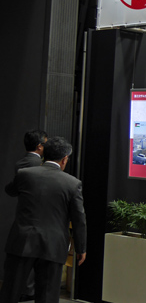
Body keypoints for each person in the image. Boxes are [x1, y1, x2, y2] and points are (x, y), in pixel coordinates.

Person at [0, 136, 87, 303]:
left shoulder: (25, 174)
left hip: (22, 241)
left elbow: (10, 190)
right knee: (47, 296)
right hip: (53, 245)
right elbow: (79, 218)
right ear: (64, 159)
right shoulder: (72, 183)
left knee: (10, 293)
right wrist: (81, 247)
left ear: (44, 154)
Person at [3, 129, 48, 299]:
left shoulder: (21, 163)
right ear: (39, 146)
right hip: (40, 217)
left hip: (24, 215)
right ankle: (28, 291)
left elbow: (13, 189)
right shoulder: (38, 165)